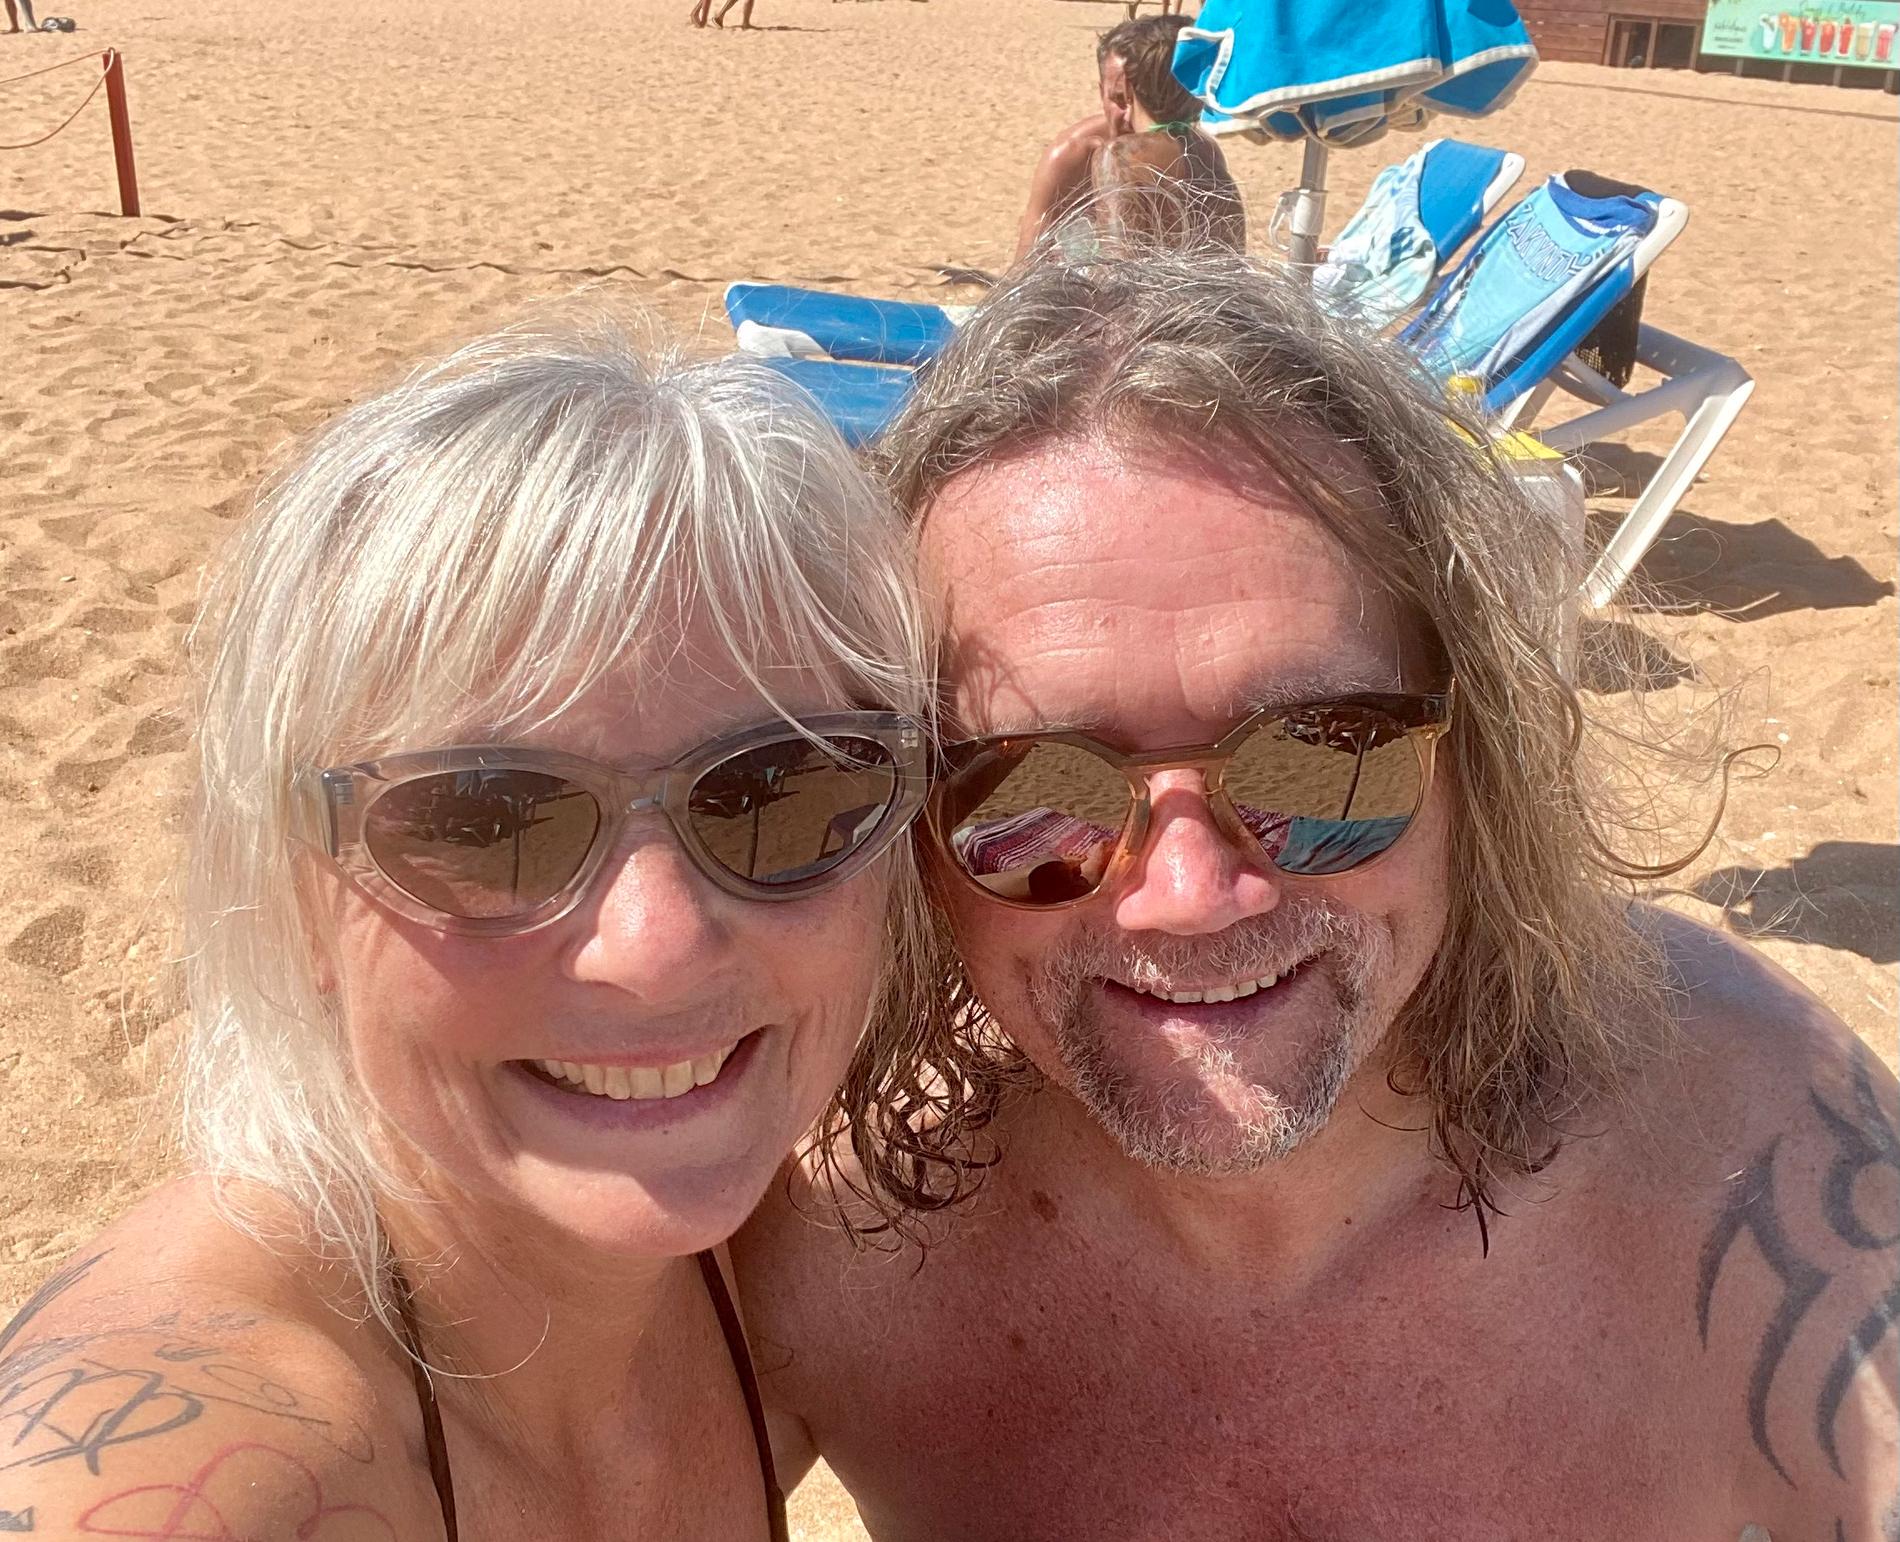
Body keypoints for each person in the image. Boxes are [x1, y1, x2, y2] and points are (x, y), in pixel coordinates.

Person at [733, 249, 1900, 1539]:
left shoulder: (1749, 1151)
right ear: (913, 833)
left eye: (1322, 752)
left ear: (1477, 755)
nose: (1189, 894)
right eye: (1033, 790)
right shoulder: (830, 1229)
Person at [0, 315, 936, 1540]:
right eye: (489, 822)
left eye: (785, 790)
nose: (653, 945)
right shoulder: (205, 1479)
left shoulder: (773, 1262)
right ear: (294, 893)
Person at [1014, 15, 1244, 262]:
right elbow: (1025, 264)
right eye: (1117, 100)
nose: (1126, 115)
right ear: (1101, 91)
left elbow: (1120, 271)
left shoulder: (1127, 156)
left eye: (1130, 98)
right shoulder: (1070, 156)